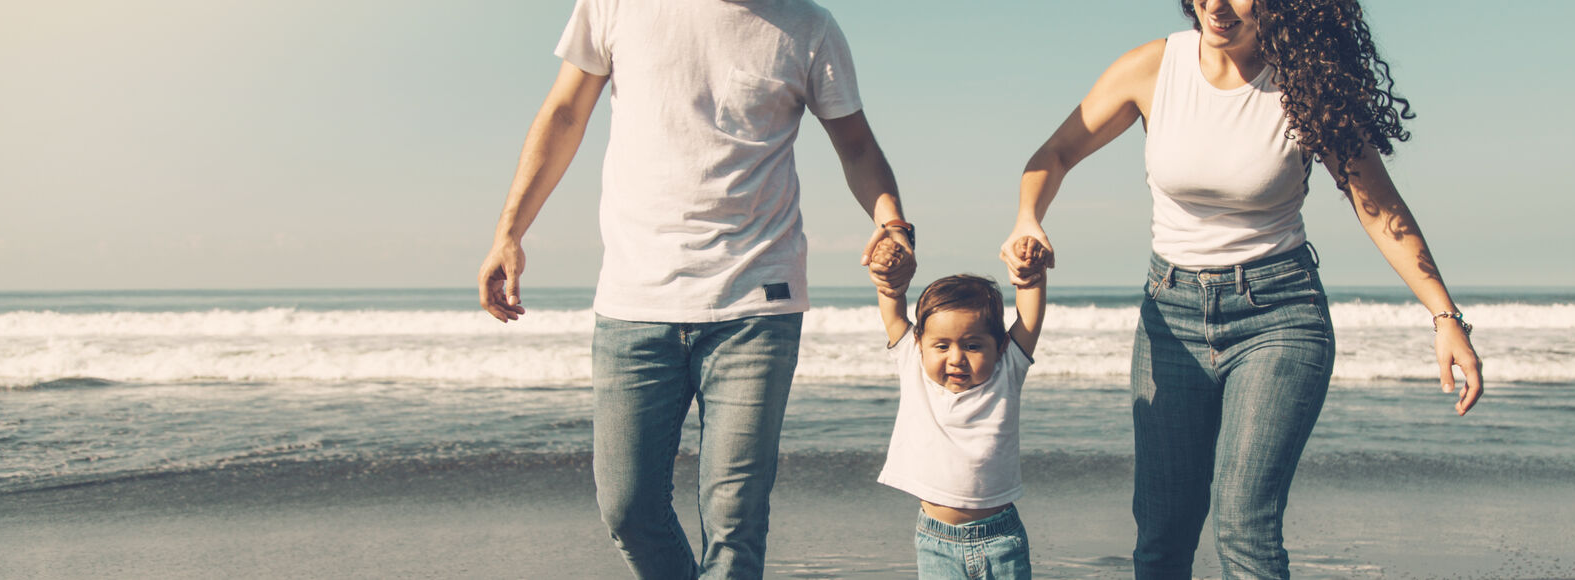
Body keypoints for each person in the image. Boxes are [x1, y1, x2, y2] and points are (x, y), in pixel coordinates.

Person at [997, 0, 1485, 578]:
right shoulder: (1154, 68)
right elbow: (1054, 153)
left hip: (1279, 315)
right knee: (1162, 531)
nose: (1217, 5)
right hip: (1170, 314)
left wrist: (1445, 316)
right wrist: (1029, 216)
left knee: (1244, 528)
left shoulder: (1306, 82)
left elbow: (1379, 209)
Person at [474, 0, 915, 577]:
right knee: (628, 510)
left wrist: (893, 224)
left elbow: (855, 144)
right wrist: (509, 231)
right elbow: (563, 114)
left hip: (758, 301)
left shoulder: (808, 26)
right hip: (635, 301)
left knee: (735, 525)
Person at [868, 236, 1049, 580]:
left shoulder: (1006, 371)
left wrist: (1031, 273)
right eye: (942, 345)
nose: (956, 358)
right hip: (936, 543)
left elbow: (1030, 314)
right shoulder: (912, 362)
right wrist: (889, 268)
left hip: (1002, 540)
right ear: (920, 343)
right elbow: (892, 302)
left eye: (971, 345)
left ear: (1000, 346)